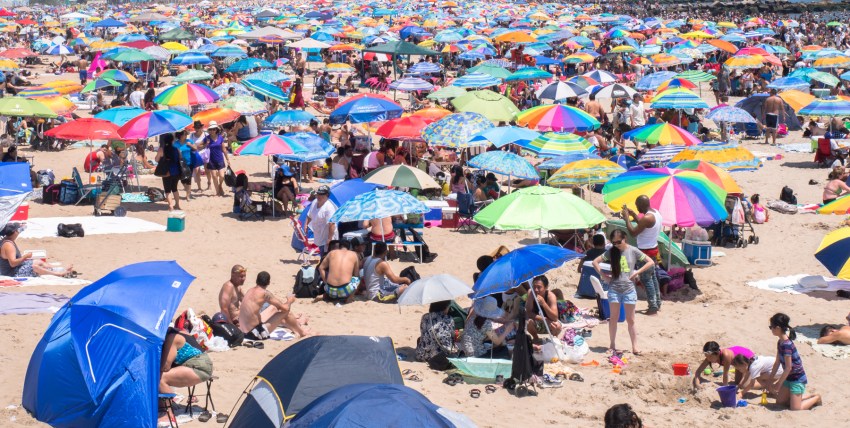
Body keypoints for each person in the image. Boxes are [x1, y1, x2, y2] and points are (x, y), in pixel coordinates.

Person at [593, 229, 654, 355]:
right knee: (613, 318)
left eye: (619, 242)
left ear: (625, 238)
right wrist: (604, 276)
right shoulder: (611, 252)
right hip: (614, 288)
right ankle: (612, 345)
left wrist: (637, 272)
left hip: (629, 289)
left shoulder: (632, 250)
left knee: (630, 320)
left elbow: (650, 262)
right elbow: (595, 262)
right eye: (614, 242)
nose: (616, 245)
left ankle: (635, 347)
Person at [768, 313, 821, 410]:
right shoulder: (780, 342)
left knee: (795, 409)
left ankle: (816, 398)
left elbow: (788, 368)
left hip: (797, 379)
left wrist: (778, 383)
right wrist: (770, 380)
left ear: (778, 328)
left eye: (771, 327)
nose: (771, 329)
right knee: (780, 402)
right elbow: (777, 362)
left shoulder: (787, 345)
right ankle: (798, 397)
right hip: (788, 378)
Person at [238, 271, 310, 340]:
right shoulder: (265, 293)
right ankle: (302, 332)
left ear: (256, 280)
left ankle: (295, 327)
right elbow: (285, 309)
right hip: (255, 334)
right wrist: (289, 301)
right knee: (286, 313)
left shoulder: (250, 290)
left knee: (273, 307)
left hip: (243, 331)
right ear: (269, 282)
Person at [622, 195, 662, 314]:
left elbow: (633, 232)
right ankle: (657, 302)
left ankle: (653, 306)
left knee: (646, 279)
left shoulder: (647, 218)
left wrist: (626, 219)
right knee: (652, 277)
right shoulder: (655, 213)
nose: (636, 207)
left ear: (641, 205)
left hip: (645, 252)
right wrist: (634, 215)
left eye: (637, 205)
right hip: (653, 249)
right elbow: (644, 226)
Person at [1, 223, 73, 277]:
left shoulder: (7, 240)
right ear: (15, 232)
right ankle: (58, 274)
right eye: (18, 230)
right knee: (34, 267)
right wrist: (25, 257)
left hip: (16, 267)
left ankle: (60, 269)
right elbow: (12, 264)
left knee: (37, 261)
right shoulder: (8, 246)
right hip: (12, 273)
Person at [159, 326, 213, 395]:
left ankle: (167, 405)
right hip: (203, 363)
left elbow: (165, 367)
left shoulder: (172, 338)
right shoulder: (181, 332)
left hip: (198, 367)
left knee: (160, 378)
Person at [415, 300, 455, 364]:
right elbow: (452, 336)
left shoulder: (425, 317)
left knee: (420, 338)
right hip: (440, 357)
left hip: (422, 356)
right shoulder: (449, 318)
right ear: (444, 307)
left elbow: (423, 331)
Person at [525, 275, 561, 341]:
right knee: (527, 322)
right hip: (537, 321)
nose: (536, 290)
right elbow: (528, 312)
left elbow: (555, 317)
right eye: (534, 287)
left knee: (557, 326)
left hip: (550, 323)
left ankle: (554, 339)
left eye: (539, 287)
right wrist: (543, 319)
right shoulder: (531, 293)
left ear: (546, 287)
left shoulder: (551, 296)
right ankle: (536, 338)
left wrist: (544, 304)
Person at [304, 185, 338, 255]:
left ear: (327, 195)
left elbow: (332, 224)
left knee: (326, 257)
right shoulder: (314, 202)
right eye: (318, 194)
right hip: (318, 237)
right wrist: (306, 225)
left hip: (327, 238)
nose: (319, 196)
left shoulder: (329, 208)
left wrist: (329, 239)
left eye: (322, 194)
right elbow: (309, 215)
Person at [155, 133, 182, 211]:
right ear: (172, 140)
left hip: (166, 172)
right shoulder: (176, 149)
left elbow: (156, 160)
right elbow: (180, 157)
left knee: (167, 190)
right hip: (176, 171)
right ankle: (177, 204)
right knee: (175, 189)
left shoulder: (161, 149)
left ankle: (170, 206)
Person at [203, 121, 230, 197]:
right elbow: (199, 146)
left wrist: (227, 159)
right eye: (210, 129)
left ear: (216, 129)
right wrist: (206, 144)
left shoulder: (220, 137)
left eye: (213, 129)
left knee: (222, 176)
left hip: (220, 159)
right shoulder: (206, 138)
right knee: (214, 176)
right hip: (211, 160)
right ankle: (217, 192)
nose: (212, 131)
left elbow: (224, 149)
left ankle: (220, 185)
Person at [173, 130, 195, 202]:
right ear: (180, 136)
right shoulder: (175, 144)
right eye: (184, 135)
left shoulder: (189, 141)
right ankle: (188, 191)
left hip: (189, 163)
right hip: (180, 164)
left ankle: (188, 196)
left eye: (186, 134)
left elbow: (196, 149)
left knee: (188, 179)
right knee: (182, 180)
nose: (185, 136)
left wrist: (190, 145)